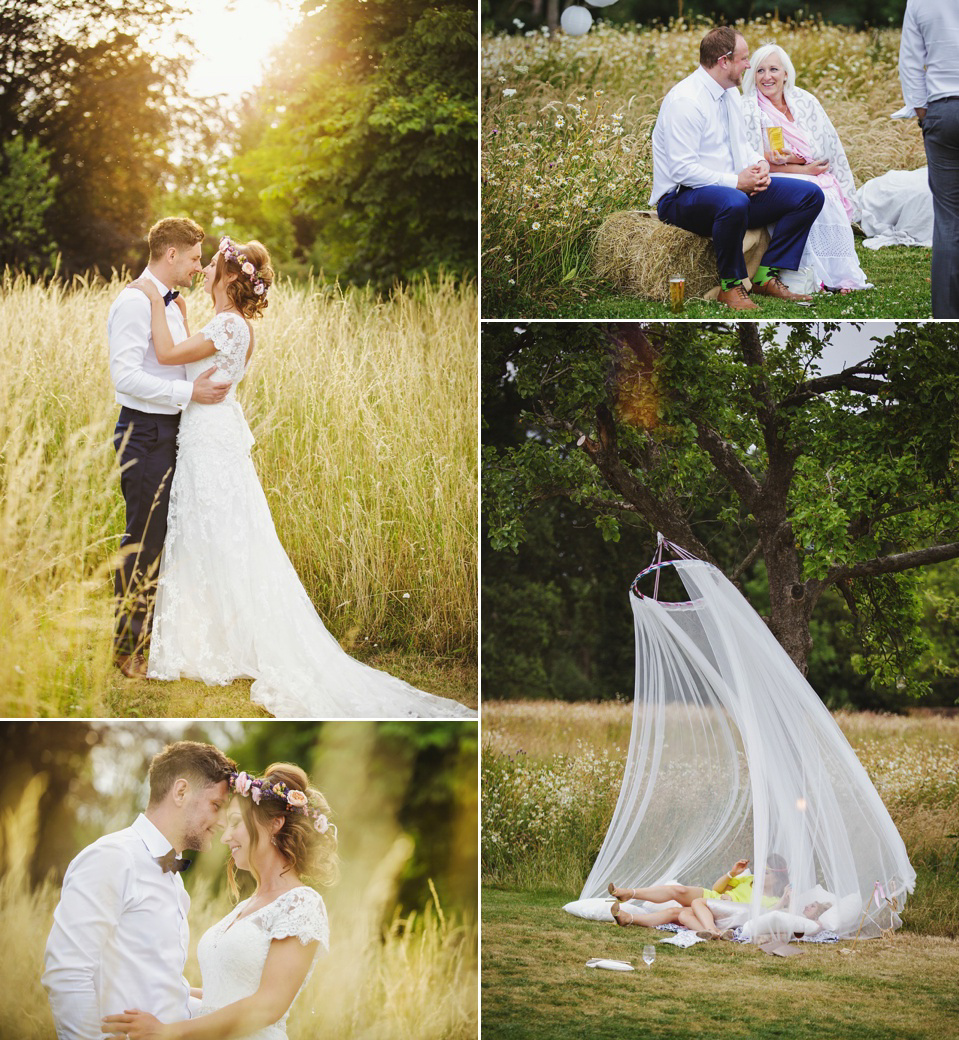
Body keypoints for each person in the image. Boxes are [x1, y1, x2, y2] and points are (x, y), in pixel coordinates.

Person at [127, 238, 476, 720]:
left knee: (217, 535)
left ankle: (218, 644)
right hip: (211, 433)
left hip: (209, 438)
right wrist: (183, 315)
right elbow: (193, 359)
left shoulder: (228, 325)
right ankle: (215, 640)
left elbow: (167, 354)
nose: (203, 270)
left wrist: (151, 299)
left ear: (230, 277)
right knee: (219, 536)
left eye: (210, 265)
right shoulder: (228, 324)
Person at [101, 764, 335, 1040]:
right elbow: (222, 997)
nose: (225, 837)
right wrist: (154, 991)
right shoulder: (247, 905)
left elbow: (268, 1005)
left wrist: (168, 1031)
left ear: (275, 823)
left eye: (236, 823)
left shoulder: (300, 903)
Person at [43, 741, 237, 1039]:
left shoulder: (174, 879)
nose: (223, 822)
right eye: (216, 806)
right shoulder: (113, 858)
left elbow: (157, 983)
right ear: (181, 792)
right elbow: (67, 972)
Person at [109, 218, 233, 679]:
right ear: (172, 254)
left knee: (168, 538)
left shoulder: (174, 306)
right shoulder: (133, 302)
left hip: (177, 433)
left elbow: (174, 365)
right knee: (143, 541)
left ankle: (160, 641)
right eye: (196, 258)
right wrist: (189, 395)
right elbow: (124, 378)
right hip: (144, 432)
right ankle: (127, 651)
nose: (200, 267)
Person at [649, 26, 825, 311]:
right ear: (723, 61)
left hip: (732, 195)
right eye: (744, 59)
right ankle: (731, 287)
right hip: (682, 199)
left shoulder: (729, 92)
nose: (748, 65)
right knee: (733, 200)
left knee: (809, 195)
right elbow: (681, 170)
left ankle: (766, 275)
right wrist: (736, 182)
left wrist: (759, 165)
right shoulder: (686, 101)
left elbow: (741, 144)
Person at [741, 45, 871, 293]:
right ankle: (816, 277)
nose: (767, 77)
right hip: (771, 177)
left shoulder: (805, 101)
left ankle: (836, 275)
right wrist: (784, 162)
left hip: (807, 171)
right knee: (810, 189)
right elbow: (747, 158)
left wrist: (801, 161)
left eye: (774, 69)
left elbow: (826, 148)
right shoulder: (748, 108)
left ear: (786, 74)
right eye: (760, 71)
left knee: (829, 190)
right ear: (752, 75)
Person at [899, 0, 959, 317]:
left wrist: (925, 114)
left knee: (949, 221)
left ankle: (947, 315)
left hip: (944, 109)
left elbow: (909, 62)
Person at [608, 855, 791, 937]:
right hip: (712, 899)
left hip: (722, 912)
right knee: (677, 891)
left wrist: (784, 899)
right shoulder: (749, 879)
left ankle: (628, 918)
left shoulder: (774, 900)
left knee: (677, 912)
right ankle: (629, 894)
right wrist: (732, 873)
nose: (760, 875)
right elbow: (716, 888)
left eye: (766, 873)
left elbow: (768, 915)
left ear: (777, 878)